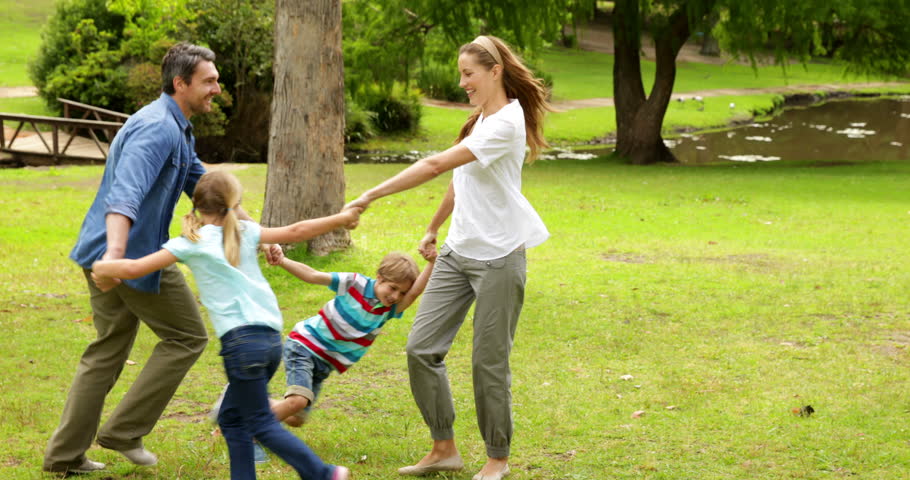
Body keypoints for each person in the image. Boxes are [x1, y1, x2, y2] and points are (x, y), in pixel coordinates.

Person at [43, 42, 270, 475]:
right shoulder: (156, 129)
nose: (217, 89)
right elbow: (124, 195)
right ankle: (125, 430)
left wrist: (251, 233)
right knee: (187, 336)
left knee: (106, 352)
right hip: (126, 256)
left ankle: (64, 455)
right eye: (209, 81)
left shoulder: (176, 127)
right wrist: (113, 259)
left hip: (109, 254)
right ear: (180, 83)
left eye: (216, 80)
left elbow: (208, 188)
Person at [345, 35, 550, 480]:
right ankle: (444, 448)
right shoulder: (481, 120)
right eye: (460, 74)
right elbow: (461, 178)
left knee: (487, 361)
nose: (462, 83)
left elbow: (436, 164)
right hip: (458, 252)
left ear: (494, 71)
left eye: (468, 74)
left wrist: (371, 195)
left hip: (499, 256)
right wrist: (434, 227)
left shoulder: (506, 123)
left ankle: (497, 458)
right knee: (421, 348)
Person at [91, 170, 357, 480]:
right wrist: (340, 218)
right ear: (235, 203)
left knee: (260, 422)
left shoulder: (190, 242)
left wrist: (101, 265)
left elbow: (135, 268)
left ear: (197, 204)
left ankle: (322, 473)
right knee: (232, 419)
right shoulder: (245, 231)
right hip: (270, 341)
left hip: (241, 345)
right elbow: (298, 230)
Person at [268, 250, 436, 427]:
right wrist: (282, 261)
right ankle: (250, 429)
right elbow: (313, 275)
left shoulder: (388, 310)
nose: (396, 297)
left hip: (325, 364)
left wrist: (432, 262)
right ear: (379, 278)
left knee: (295, 419)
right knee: (298, 402)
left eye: (402, 293)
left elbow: (415, 292)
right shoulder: (355, 283)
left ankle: (254, 403)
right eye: (393, 288)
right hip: (305, 346)